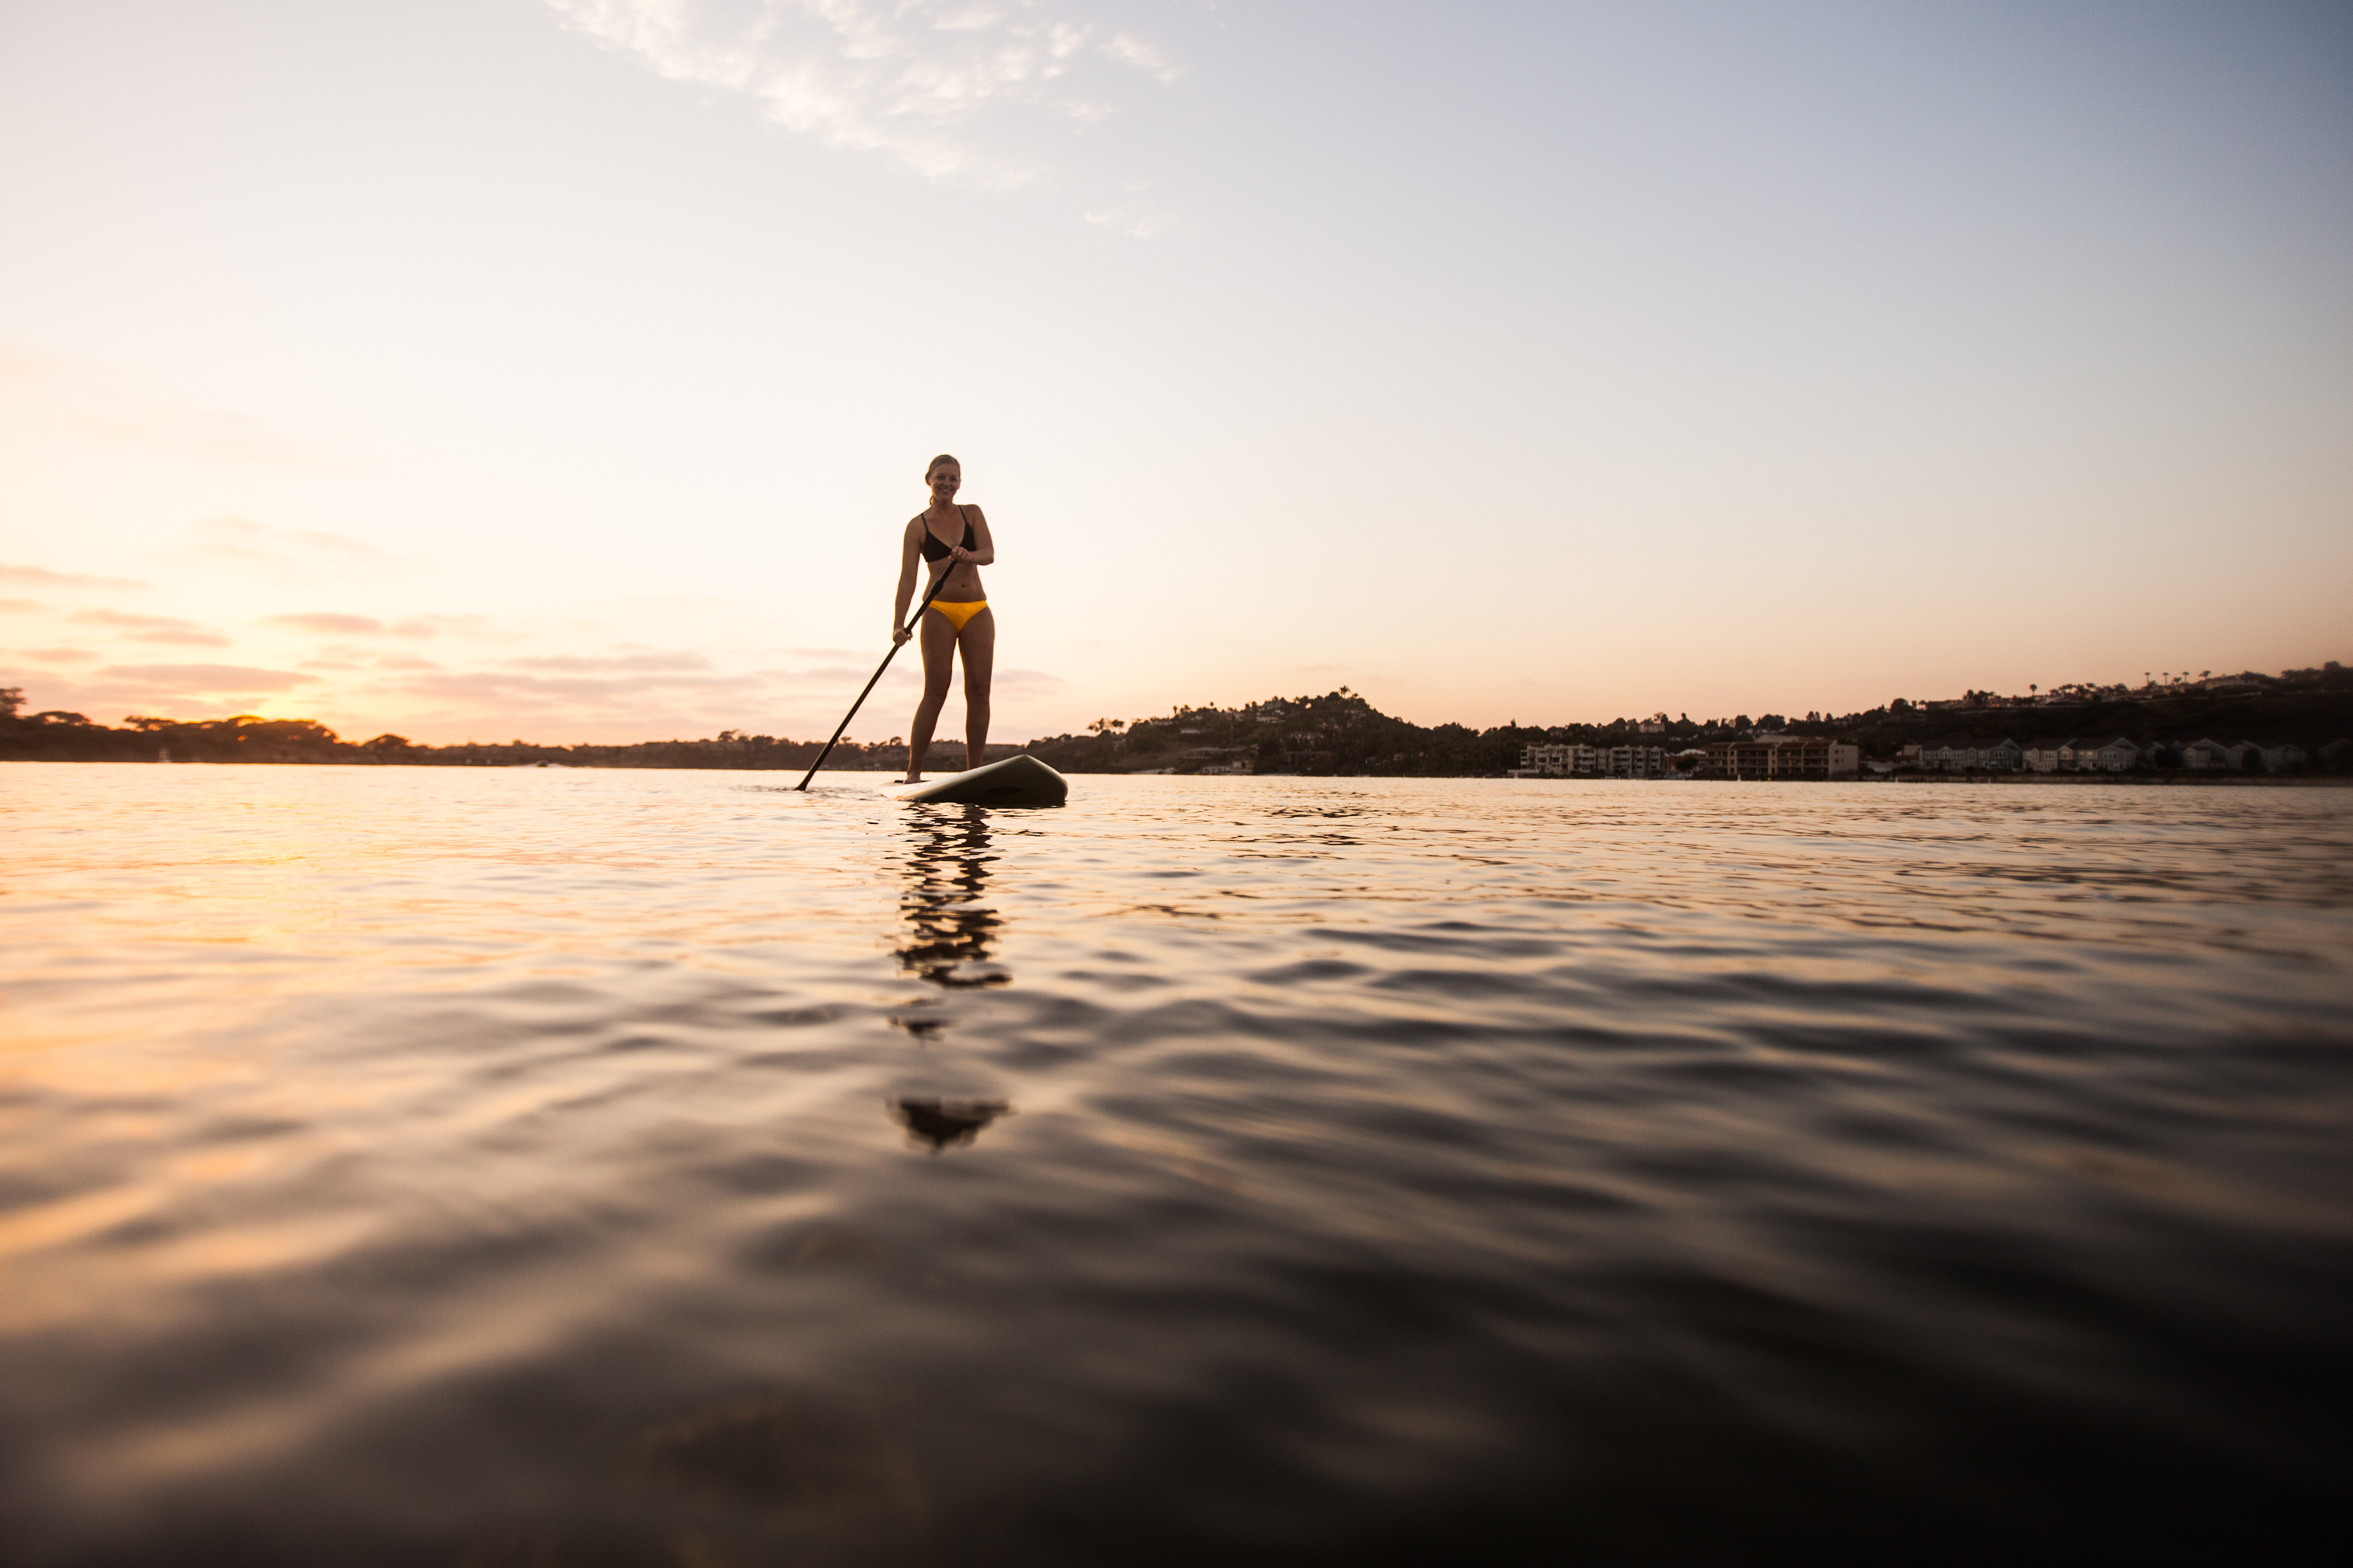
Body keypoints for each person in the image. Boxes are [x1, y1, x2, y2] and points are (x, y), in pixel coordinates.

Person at [894, 453, 996, 782]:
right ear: (929, 480)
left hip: (977, 610)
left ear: (960, 483)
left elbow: (989, 554)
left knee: (979, 690)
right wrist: (899, 623)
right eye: (941, 477)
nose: (947, 483)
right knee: (936, 691)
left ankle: (974, 772)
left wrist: (970, 555)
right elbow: (908, 578)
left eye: (953, 478)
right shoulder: (917, 526)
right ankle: (913, 773)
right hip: (938, 610)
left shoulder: (973, 514)